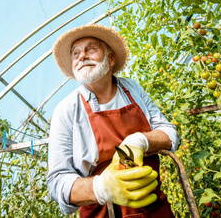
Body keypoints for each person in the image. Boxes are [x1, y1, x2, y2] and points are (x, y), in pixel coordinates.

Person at [47, 24, 180, 217]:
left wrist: (140, 140)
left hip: (153, 209)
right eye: (75, 54)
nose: (82, 56)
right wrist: (101, 188)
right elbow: (57, 182)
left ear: (111, 58)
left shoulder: (132, 90)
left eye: (90, 49)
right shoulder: (66, 110)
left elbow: (170, 134)